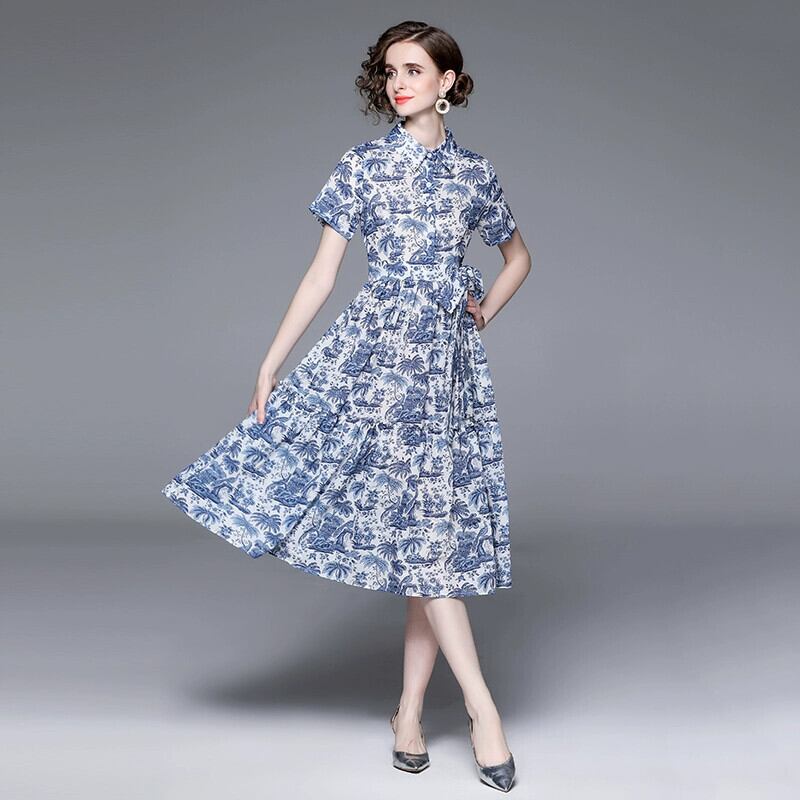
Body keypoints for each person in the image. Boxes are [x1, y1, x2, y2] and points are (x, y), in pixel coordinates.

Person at [162, 19, 531, 793]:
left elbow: (517, 257)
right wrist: (271, 363)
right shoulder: (362, 166)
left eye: (413, 70)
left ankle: (408, 714)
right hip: (374, 367)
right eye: (389, 71)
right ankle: (483, 710)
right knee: (426, 543)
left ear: (447, 83)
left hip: (446, 374)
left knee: (425, 541)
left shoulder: (475, 175)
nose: (398, 83)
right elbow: (320, 277)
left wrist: (481, 314)